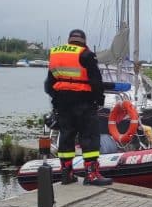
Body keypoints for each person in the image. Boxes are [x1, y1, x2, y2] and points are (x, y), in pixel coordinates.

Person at [45, 29, 112, 186]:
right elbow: (96, 81)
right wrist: (99, 100)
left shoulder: (55, 54)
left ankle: (66, 174)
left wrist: (57, 99)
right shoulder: (86, 55)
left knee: (66, 137)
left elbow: (49, 84)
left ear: (69, 40)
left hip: (62, 104)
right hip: (84, 103)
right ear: (83, 40)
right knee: (89, 137)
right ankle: (91, 174)